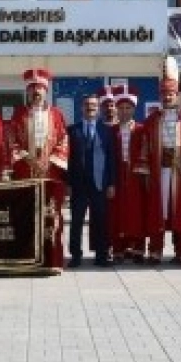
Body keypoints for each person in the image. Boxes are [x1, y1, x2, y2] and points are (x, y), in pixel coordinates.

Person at [7, 68, 69, 269]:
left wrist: (50, 160)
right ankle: (26, 258)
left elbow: (63, 141)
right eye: (33, 88)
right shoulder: (18, 115)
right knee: (25, 216)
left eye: (40, 88)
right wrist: (28, 158)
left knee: (52, 216)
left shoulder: (57, 115)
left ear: (46, 90)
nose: (36, 92)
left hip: (51, 173)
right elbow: (12, 141)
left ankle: (53, 259)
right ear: (27, 91)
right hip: (26, 173)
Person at [137, 75, 181, 265]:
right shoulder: (151, 120)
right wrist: (146, 171)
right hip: (159, 171)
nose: (167, 97)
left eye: (171, 94)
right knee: (158, 212)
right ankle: (155, 251)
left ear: (177, 95)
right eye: (164, 94)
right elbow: (145, 147)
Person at [66, 93, 115, 268]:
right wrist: (68, 184)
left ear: (98, 108)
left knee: (100, 221)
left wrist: (111, 183)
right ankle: (75, 255)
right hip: (78, 185)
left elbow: (111, 159)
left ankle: (101, 256)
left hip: (99, 183)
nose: (90, 107)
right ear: (81, 107)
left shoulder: (106, 130)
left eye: (94, 105)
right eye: (87, 104)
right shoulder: (72, 130)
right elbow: (68, 159)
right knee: (76, 221)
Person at [109, 85, 146, 264]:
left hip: (136, 175)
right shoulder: (111, 131)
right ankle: (118, 248)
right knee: (118, 213)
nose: (124, 111)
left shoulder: (141, 129)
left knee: (137, 212)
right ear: (117, 109)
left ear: (134, 109)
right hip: (117, 174)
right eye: (121, 108)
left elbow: (146, 152)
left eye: (128, 108)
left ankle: (138, 248)